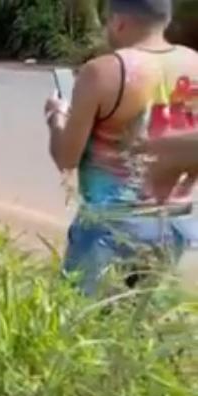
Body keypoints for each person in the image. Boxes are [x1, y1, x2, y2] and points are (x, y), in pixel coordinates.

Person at [45, 0, 198, 295]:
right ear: (165, 20)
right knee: (148, 327)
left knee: (84, 325)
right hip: (178, 224)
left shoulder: (103, 72)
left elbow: (67, 158)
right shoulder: (194, 64)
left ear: (117, 21)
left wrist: (56, 118)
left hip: (112, 228)